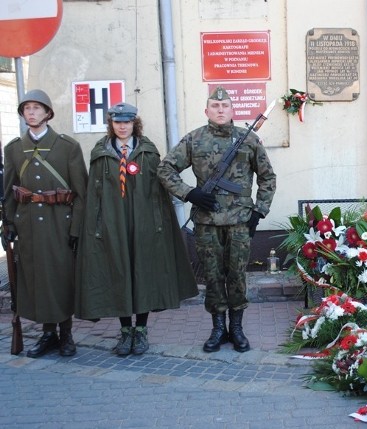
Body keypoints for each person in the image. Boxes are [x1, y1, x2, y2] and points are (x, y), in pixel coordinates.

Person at [157, 86, 276, 353]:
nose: (220, 110)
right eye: (215, 106)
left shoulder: (249, 140)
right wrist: (190, 194)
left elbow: (267, 176)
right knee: (212, 277)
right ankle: (218, 327)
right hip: (207, 222)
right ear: (207, 111)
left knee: (237, 276)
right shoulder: (194, 139)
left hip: (239, 222)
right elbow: (165, 169)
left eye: (225, 107)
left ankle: (236, 328)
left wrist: (260, 211)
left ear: (233, 110)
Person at [74, 102, 198, 356]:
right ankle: (125, 331)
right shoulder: (100, 154)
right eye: (118, 122)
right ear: (111, 124)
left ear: (134, 124)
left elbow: (158, 192)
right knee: (118, 272)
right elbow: (93, 195)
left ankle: (140, 330)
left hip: (143, 225)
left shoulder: (148, 153)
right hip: (112, 225)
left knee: (143, 275)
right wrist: (95, 227)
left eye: (127, 122)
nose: (122, 126)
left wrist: (158, 223)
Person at [2, 89, 88, 358]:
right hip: (28, 225)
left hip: (59, 224)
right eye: (26, 108)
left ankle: (66, 333)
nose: (31, 112)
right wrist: (8, 225)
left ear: (48, 113)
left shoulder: (67, 146)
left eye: (37, 108)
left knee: (60, 279)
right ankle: (47, 334)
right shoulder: (14, 148)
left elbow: (81, 193)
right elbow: (9, 191)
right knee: (36, 279)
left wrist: (75, 229)